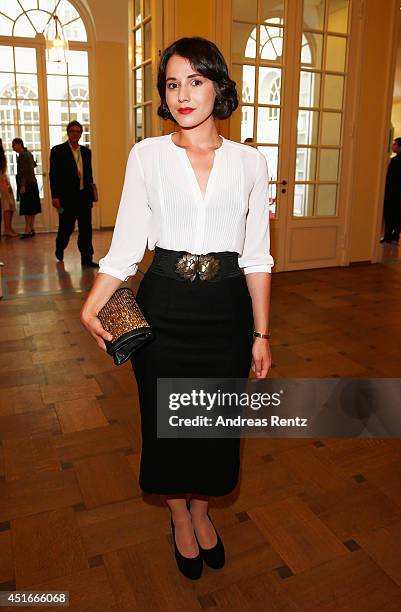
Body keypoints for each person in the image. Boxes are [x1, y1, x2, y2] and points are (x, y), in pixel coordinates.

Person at [80, 36, 273, 580]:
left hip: (226, 313)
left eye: (196, 80)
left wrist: (261, 334)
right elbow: (125, 247)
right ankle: (178, 518)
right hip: (163, 309)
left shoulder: (251, 163)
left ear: (218, 84)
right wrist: (89, 305)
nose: (183, 94)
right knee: (165, 426)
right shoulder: (147, 155)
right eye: (172, 83)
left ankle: (203, 509)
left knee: (214, 426)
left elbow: (257, 255)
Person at [49, 121, 98, 267]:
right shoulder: (58, 151)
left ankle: (87, 258)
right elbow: (53, 175)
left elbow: (89, 173)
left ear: (81, 134)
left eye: (78, 131)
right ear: (68, 132)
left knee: (86, 230)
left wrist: (91, 192)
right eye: (72, 131)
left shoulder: (86, 152)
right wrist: (55, 196)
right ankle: (60, 247)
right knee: (66, 228)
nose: (75, 134)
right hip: (66, 197)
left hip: (84, 197)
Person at [12, 138, 41, 239]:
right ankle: (31, 228)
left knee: (27, 208)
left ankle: (27, 230)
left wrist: (22, 185)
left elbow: (23, 171)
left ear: (20, 144)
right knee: (32, 207)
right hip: (32, 183)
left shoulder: (22, 155)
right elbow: (34, 165)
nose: (12, 147)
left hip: (27, 185)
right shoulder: (28, 153)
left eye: (14, 144)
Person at [380, 137, 401, 244]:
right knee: (397, 213)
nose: (393, 146)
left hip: (391, 190)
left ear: (400, 147)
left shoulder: (396, 160)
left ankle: (388, 236)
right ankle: (395, 236)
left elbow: (390, 176)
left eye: (395, 144)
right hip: (398, 190)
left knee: (389, 213)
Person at [0, 138, 19, 237]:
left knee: (11, 205)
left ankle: (9, 227)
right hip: (1, 181)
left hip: (4, 179)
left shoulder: (2, 156)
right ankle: (7, 229)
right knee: (7, 205)